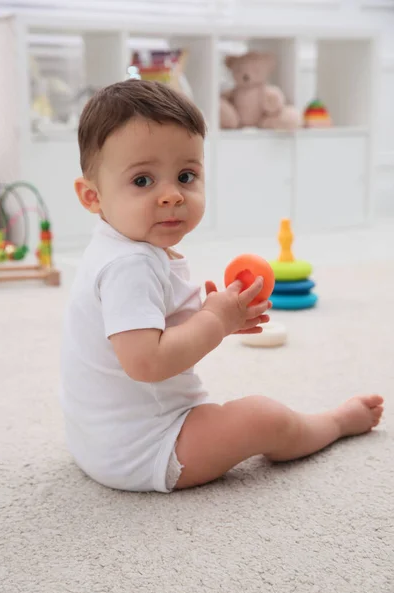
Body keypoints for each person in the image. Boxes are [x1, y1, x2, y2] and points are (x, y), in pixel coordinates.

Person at [60, 79, 384, 493]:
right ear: (92, 196)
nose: (171, 195)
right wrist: (214, 319)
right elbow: (146, 363)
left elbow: (145, 329)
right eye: (143, 181)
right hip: (145, 449)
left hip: (103, 440)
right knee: (263, 418)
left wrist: (213, 317)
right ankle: (333, 423)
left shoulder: (116, 246)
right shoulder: (130, 264)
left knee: (233, 415)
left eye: (185, 175)